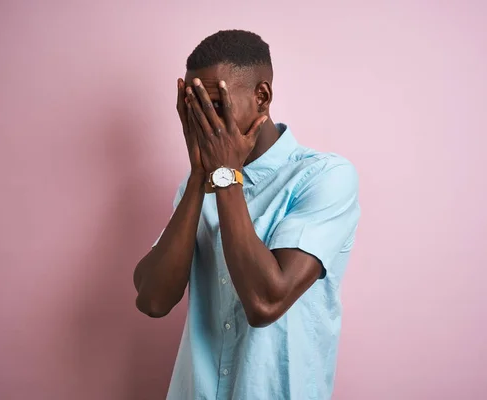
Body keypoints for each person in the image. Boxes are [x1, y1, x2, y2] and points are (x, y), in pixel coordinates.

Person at [133, 29, 361, 400]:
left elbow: (265, 301)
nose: (204, 122)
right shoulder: (196, 189)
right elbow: (153, 300)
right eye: (195, 107)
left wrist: (225, 176)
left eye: (216, 106)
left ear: (262, 96)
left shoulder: (323, 176)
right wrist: (198, 177)